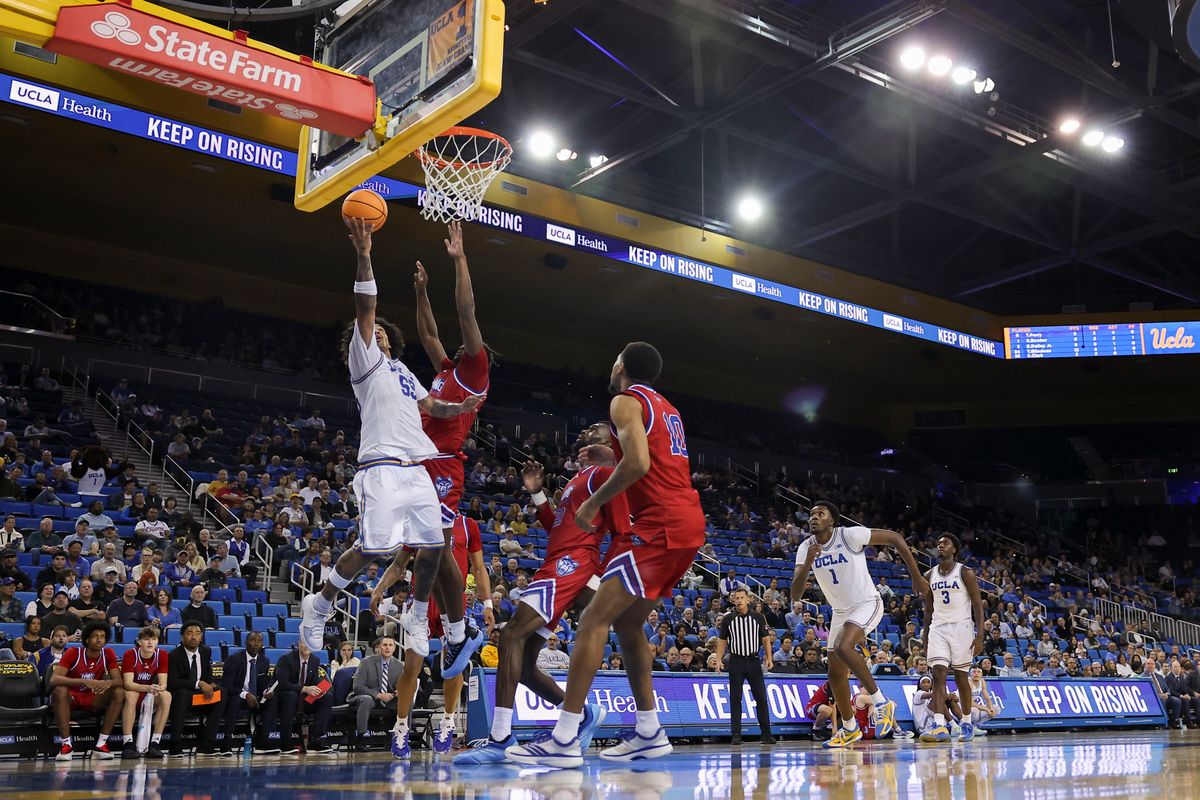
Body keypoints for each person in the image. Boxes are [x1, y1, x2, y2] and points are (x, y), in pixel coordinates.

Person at [298, 217, 481, 686]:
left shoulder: (401, 369)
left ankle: (419, 616)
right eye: (371, 330)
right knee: (374, 548)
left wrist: (459, 404)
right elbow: (365, 305)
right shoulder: (366, 363)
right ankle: (318, 606)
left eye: (382, 331)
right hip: (379, 468)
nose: (377, 331)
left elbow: (430, 403)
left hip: (417, 468)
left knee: (434, 545)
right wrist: (364, 255)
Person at [507, 342, 706, 768]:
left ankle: (563, 738)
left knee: (595, 619)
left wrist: (595, 500)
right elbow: (652, 458)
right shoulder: (666, 407)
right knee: (629, 624)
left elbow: (637, 464)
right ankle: (650, 730)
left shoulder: (624, 399)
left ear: (621, 365)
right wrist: (608, 454)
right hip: (688, 522)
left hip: (658, 524)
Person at [455, 434, 628, 766]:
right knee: (524, 668)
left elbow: (621, 532)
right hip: (560, 560)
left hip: (571, 563)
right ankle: (581, 715)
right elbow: (557, 527)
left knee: (510, 635)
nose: (583, 438)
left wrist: (599, 573)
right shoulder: (577, 480)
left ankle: (501, 738)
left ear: (608, 443)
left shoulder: (608, 473)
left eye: (593, 433)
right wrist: (537, 492)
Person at [789, 500, 928, 748]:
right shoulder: (805, 547)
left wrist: (916, 577)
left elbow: (895, 538)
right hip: (841, 611)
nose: (813, 517)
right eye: (811, 514)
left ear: (832, 520)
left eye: (820, 514)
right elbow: (795, 594)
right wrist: (808, 562)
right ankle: (850, 728)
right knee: (834, 674)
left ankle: (882, 702)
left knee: (844, 647)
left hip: (866, 602)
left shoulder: (849, 535)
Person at [369, 511, 492, 758]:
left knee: (454, 666)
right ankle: (401, 726)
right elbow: (399, 564)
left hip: (453, 602)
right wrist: (379, 589)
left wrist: (487, 603)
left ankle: (447, 723)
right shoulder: (419, 519)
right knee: (412, 666)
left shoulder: (468, 525)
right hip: (422, 601)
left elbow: (478, 568)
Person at [919, 534, 985, 743]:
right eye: (938, 544)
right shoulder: (929, 575)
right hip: (938, 627)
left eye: (945, 543)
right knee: (938, 675)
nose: (940, 546)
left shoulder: (965, 572)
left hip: (962, 628)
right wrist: (926, 634)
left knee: (960, 678)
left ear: (954, 549)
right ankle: (939, 725)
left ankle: (966, 721)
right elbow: (928, 609)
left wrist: (980, 634)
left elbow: (977, 604)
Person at [50, 620, 126, 760]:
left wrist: (108, 683)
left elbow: (119, 681)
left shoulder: (108, 653)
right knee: (59, 690)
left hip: (93, 697)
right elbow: (54, 679)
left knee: (119, 692)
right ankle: (66, 745)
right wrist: (85, 681)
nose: (99, 639)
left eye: (102, 636)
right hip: (71, 697)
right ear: (86, 639)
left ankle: (101, 744)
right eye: (95, 636)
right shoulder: (73, 652)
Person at [713, 587, 776, 745]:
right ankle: (736, 735)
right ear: (733, 600)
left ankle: (766, 734)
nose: (739, 600)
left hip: (754, 661)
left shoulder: (758, 617)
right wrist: (719, 659)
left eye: (742, 597)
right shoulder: (728, 619)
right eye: (736, 598)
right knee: (735, 699)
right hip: (736, 661)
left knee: (761, 698)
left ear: (748, 599)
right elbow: (722, 641)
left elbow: (766, 638)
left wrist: (769, 657)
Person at [261, 638, 335, 755]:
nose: (306, 646)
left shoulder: (314, 660)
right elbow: (283, 683)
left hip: (303, 700)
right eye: (303, 643)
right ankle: (285, 742)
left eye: (309, 643)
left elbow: (314, 681)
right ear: (298, 644)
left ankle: (314, 740)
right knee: (292, 696)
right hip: (283, 698)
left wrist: (319, 690)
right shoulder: (286, 659)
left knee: (327, 697)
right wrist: (304, 689)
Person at [166, 621, 224, 756]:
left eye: (197, 633)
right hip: (183, 699)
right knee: (181, 694)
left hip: (201, 698)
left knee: (222, 693)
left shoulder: (205, 651)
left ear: (201, 637)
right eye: (189, 633)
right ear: (182, 637)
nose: (193, 637)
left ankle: (206, 744)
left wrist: (210, 683)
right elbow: (173, 682)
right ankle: (175, 745)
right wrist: (199, 684)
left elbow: (207, 675)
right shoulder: (174, 655)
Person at [120, 626, 171, 759]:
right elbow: (128, 684)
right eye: (146, 639)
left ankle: (155, 742)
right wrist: (148, 688)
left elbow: (163, 682)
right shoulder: (130, 654)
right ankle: (128, 743)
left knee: (166, 695)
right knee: (131, 694)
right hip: (135, 692)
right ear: (139, 641)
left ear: (157, 641)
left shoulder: (162, 655)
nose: (150, 643)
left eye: (153, 639)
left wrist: (158, 688)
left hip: (149, 692)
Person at [219, 631, 273, 754]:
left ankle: (263, 740)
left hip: (257, 697)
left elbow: (263, 684)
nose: (256, 644)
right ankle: (226, 743)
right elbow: (227, 686)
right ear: (246, 643)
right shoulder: (234, 660)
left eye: (259, 641)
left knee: (272, 700)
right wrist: (246, 694)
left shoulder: (264, 661)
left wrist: (266, 691)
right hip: (238, 696)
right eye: (253, 640)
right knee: (235, 700)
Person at [347, 636, 402, 750]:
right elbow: (358, 687)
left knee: (405, 700)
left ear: (394, 648)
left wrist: (398, 692)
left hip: (388, 697)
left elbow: (399, 686)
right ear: (379, 647)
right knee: (367, 700)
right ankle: (361, 738)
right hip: (366, 696)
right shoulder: (366, 662)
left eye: (390, 645)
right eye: (384, 645)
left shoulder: (399, 665)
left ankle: (399, 737)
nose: (387, 648)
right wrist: (379, 695)